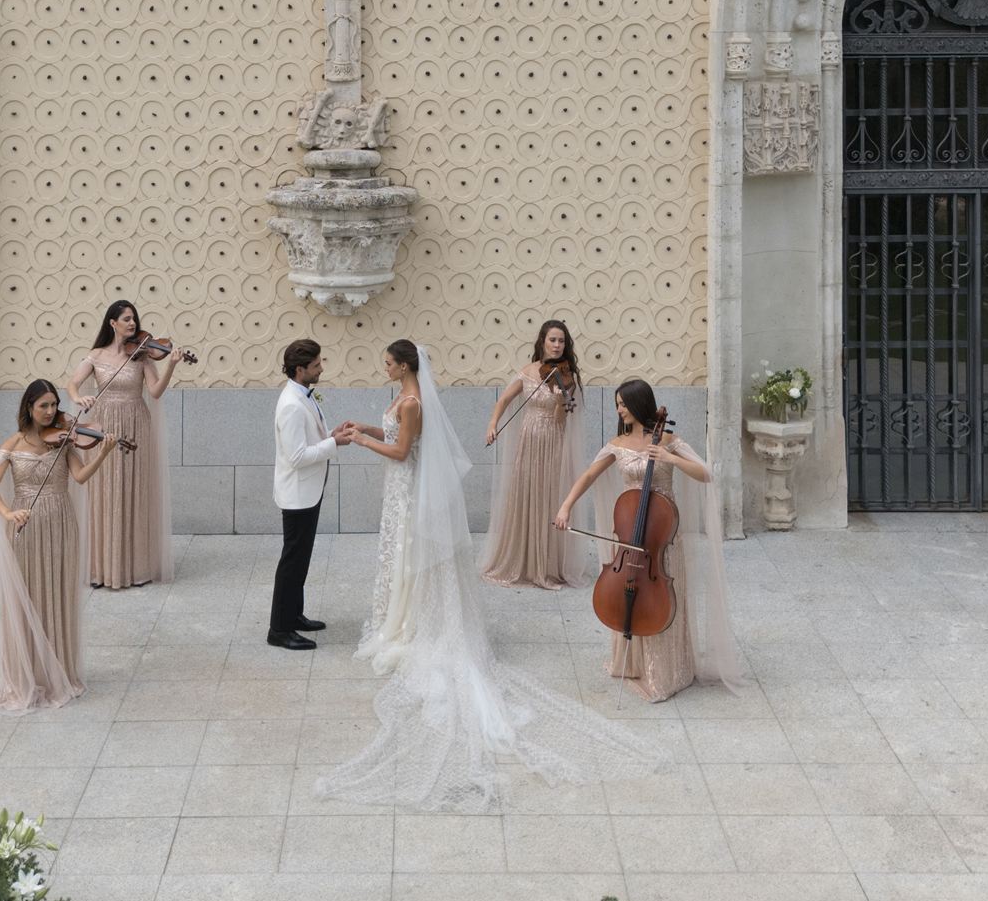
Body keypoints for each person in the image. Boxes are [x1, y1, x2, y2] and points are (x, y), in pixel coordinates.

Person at [317, 341, 671, 813]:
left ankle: (410, 623)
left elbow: (402, 451)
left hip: (406, 490)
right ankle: (401, 616)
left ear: (404, 365)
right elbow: (397, 431)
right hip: (401, 495)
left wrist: (361, 441)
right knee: (400, 557)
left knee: (408, 557)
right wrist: (363, 425)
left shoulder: (414, 401)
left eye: (387, 361)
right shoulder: (405, 398)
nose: (382, 366)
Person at [554, 379, 745, 701]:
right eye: (617, 405)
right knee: (629, 592)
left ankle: (666, 670)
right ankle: (631, 662)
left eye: (623, 404)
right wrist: (565, 506)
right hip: (631, 533)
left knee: (661, 599)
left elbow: (706, 473)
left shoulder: (667, 440)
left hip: (661, 538)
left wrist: (670, 459)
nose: (619, 410)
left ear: (639, 404)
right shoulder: (617, 443)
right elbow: (589, 475)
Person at [0, 381, 113, 712]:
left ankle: (58, 673)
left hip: (61, 522)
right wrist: (9, 512)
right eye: (45, 406)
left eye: (55, 405)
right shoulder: (12, 444)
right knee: (29, 595)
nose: (53, 412)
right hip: (27, 523)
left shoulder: (65, 442)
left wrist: (104, 452)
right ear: (29, 407)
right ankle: (27, 675)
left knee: (57, 594)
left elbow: (80, 478)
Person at [70, 300, 180, 589]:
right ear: (112, 323)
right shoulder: (95, 355)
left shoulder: (142, 357)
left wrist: (171, 365)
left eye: (134, 319)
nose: (132, 323)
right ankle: (103, 568)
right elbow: (72, 384)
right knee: (105, 492)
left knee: (134, 491)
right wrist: (79, 397)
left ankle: (134, 568)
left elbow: (154, 392)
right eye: (126, 319)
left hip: (136, 424)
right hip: (104, 424)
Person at [481, 319, 595, 589]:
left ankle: (544, 567)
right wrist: (492, 424)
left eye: (562, 341)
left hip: (552, 441)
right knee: (526, 495)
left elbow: (561, 420)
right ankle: (522, 561)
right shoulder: (528, 371)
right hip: (528, 439)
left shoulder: (569, 378)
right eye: (553, 340)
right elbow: (504, 401)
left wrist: (560, 400)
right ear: (542, 341)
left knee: (547, 496)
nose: (557, 345)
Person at [269, 338, 339, 651]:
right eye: (316, 365)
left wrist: (333, 435)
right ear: (300, 370)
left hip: (308, 490)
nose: (321, 368)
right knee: (292, 561)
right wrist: (336, 445)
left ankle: (294, 615)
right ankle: (279, 629)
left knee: (301, 560)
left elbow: (313, 437)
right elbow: (296, 457)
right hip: (297, 494)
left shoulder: (301, 395)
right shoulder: (291, 405)